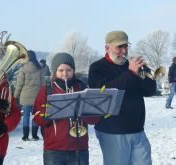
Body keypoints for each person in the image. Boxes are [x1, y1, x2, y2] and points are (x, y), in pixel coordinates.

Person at [88, 31, 156, 165]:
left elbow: (149, 91)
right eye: (119, 47)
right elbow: (105, 92)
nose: (124, 51)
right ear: (107, 48)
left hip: (137, 130)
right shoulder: (97, 67)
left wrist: (147, 75)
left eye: (126, 46)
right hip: (112, 131)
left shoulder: (131, 65)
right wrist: (130, 73)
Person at [33, 52, 101, 165]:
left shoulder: (82, 88)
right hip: (53, 150)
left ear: (73, 70)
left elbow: (94, 120)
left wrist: (85, 109)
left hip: (79, 148)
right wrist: (50, 111)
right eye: (61, 70)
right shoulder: (46, 90)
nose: (65, 74)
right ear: (55, 72)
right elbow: (37, 119)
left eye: (69, 70)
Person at [14, 50, 45, 141]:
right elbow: (43, 84)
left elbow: (19, 84)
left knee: (26, 116)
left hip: (25, 95)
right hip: (37, 96)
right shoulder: (40, 68)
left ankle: (25, 136)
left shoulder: (23, 68)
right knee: (35, 115)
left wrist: (15, 95)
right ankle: (35, 135)